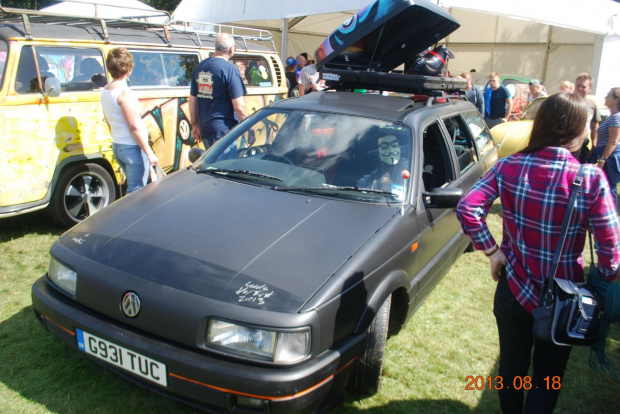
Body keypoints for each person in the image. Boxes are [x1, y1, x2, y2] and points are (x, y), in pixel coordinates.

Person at [456, 92, 620, 414]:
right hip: (565, 299)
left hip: (512, 288)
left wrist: (492, 252)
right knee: (548, 378)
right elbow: (610, 251)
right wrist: (606, 276)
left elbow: (468, 207)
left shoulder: (508, 166)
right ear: (576, 129)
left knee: (511, 371)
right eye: (587, 124)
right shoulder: (590, 178)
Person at [101, 47, 159, 194]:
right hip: (132, 148)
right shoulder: (125, 94)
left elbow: (109, 121)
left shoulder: (106, 91)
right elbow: (133, 126)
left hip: (118, 145)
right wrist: (149, 152)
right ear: (129, 68)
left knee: (136, 188)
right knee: (136, 192)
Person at [189, 33, 249, 151]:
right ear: (231, 49)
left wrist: (195, 125)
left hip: (206, 129)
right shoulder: (230, 70)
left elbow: (192, 101)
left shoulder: (200, 67)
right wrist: (250, 128)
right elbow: (239, 107)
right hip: (225, 131)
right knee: (225, 167)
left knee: (211, 167)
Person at [590, 87, 620, 205]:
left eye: (608, 95)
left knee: (609, 187)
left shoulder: (617, 117)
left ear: (616, 100)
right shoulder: (612, 116)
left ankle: (610, 216)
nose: (605, 98)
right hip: (606, 155)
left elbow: (613, 141)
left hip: (609, 157)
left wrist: (602, 160)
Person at [357, 135, 410, 199]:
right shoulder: (381, 165)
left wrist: (389, 185)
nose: (391, 150)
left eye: (394, 145)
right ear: (378, 151)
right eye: (384, 147)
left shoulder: (405, 165)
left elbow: (408, 190)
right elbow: (364, 182)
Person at [575, 73, 601, 162]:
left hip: (583, 143)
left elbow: (594, 127)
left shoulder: (592, 104)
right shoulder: (568, 101)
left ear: (589, 89)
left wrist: (594, 145)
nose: (579, 89)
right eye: (578, 86)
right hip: (567, 142)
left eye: (583, 86)